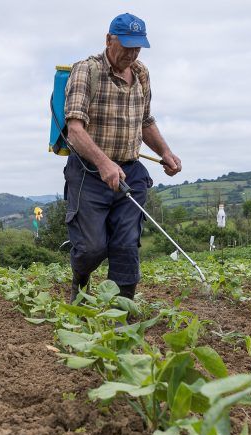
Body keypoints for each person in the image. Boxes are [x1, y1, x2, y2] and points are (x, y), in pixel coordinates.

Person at [63, 12, 181, 302]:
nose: (132, 54)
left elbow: (145, 121)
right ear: (108, 40)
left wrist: (165, 152)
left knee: (126, 244)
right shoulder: (86, 71)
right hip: (89, 173)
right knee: (91, 249)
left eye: (137, 47)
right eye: (126, 46)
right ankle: (81, 279)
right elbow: (75, 129)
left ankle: (123, 313)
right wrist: (104, 163)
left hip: (130, 173)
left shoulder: (141, 73)